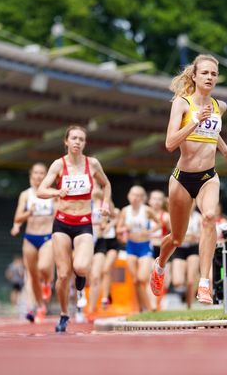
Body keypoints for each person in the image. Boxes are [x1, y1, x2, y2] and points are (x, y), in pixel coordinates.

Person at [150, 54, 227, 305]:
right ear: (195, 76)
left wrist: (226, 151)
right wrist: (194, 122)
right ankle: (159, 265)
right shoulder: (182, 104)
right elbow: (169, 144)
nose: (210, 77)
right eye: (205, 73)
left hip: (208, 177)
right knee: (177, 238)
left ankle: (204, 284)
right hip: (181, 178)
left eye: (213, 74)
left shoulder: (219, 106)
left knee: (210, 217)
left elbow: (215, 131)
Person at [37, 125, 112, 332]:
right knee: (62, 275)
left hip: (84, 223)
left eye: (81, 139)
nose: (78, 142)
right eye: (74, 138)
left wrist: (105, 204)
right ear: (66, 142)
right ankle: (63, 314)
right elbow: (41, 190)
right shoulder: (58, 165)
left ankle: (80, 278)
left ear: (85, 143)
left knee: (80, 267)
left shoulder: (93, 164)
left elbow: (106, 185)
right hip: (62, 223)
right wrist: (57, 191)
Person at [11, 162, 55, 323]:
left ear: (47, 176)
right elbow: (17, 218)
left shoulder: (52, 194)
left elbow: (59, 216)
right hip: (30, 238)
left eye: (42, 173)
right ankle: (35, 306)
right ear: (31, 175)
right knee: (31, 276)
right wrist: (29, 212)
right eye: (35, 172)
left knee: (43, 267)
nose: (38, 176)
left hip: (47, 237)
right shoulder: (26, 195)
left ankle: (47, 284)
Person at [117, 186, 160, 313]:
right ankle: (141, 308)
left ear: (143, 198)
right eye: (133, 195)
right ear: (129, 196)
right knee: (135, 280)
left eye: (138, 196)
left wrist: (149, 231)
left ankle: (151, 307)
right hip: (131, 246)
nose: (135, 198)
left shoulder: (147, 210)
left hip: (144, 246)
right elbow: (118, 230)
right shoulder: (125, 211)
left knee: (142, 278)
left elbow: (159, 224)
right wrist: (125, 229)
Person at [87, 187, 119, 320]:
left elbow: (115, 215)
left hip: (102, 242)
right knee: (81, 274)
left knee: (98, 274)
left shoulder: (105, 204)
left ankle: (93, 309)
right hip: (83, 241)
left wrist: (107, 226)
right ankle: (78, 301)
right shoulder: (83, 202)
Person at [170, 204, 201, 308]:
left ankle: (189, 306)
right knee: (177, 281)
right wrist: (188, 238)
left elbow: (203, 234)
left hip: (193, 248)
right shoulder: (177, 215)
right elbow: (174, 235)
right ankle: (192, 278)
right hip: (180, 248)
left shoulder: (198, 217)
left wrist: (196, 236)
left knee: (191, 280)